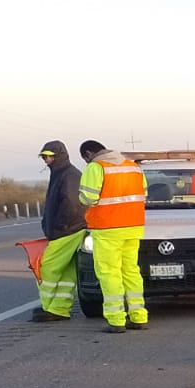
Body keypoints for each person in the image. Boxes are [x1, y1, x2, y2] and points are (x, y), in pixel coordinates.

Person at [78, 140, 148, 333]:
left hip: (107, 227)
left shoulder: (96, 167)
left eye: (85, 158)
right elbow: (144, 194)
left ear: (89, 153)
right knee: (131, 271)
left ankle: (116, 320)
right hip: (133, 227)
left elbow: (87, 198)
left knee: (109, 273)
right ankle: (139, 316)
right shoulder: (133, 167)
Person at [30, 141, 89, 322]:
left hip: (67, 231)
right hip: (71, 229)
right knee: (66, 271)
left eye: (48, 156)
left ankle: (51, 307)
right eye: (44, 157)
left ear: (58, 155)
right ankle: (59, 308)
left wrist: (59, 226)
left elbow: (71, 204)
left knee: (46, 267)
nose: (46, 160)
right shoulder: (62, 173)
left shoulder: (68, 175)